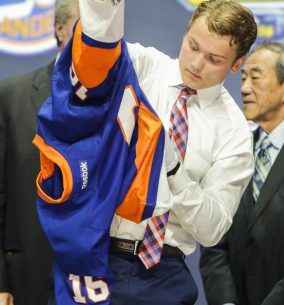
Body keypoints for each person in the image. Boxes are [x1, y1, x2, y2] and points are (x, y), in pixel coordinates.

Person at [45, 0, 257, 304]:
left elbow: (212, 229)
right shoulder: (141, 64)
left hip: (165, 276)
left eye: (214, 59)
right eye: (193, 46)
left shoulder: (235, 130)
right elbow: (85, 64)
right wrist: (102, 11)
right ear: (184, 33)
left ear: (237, 64)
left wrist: (171, 168)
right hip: (93, 256)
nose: (196, 64)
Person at [0, 1, 79, 305]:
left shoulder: (123, 104)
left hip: (97, 283)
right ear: (59, 30)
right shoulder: (11, 97)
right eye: (84, 27)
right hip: (26, 281)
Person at [200, 41, 284, 305]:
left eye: (256, 78)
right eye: (243, 78)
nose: (244, 88)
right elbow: (214, 242)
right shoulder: (235, 151)